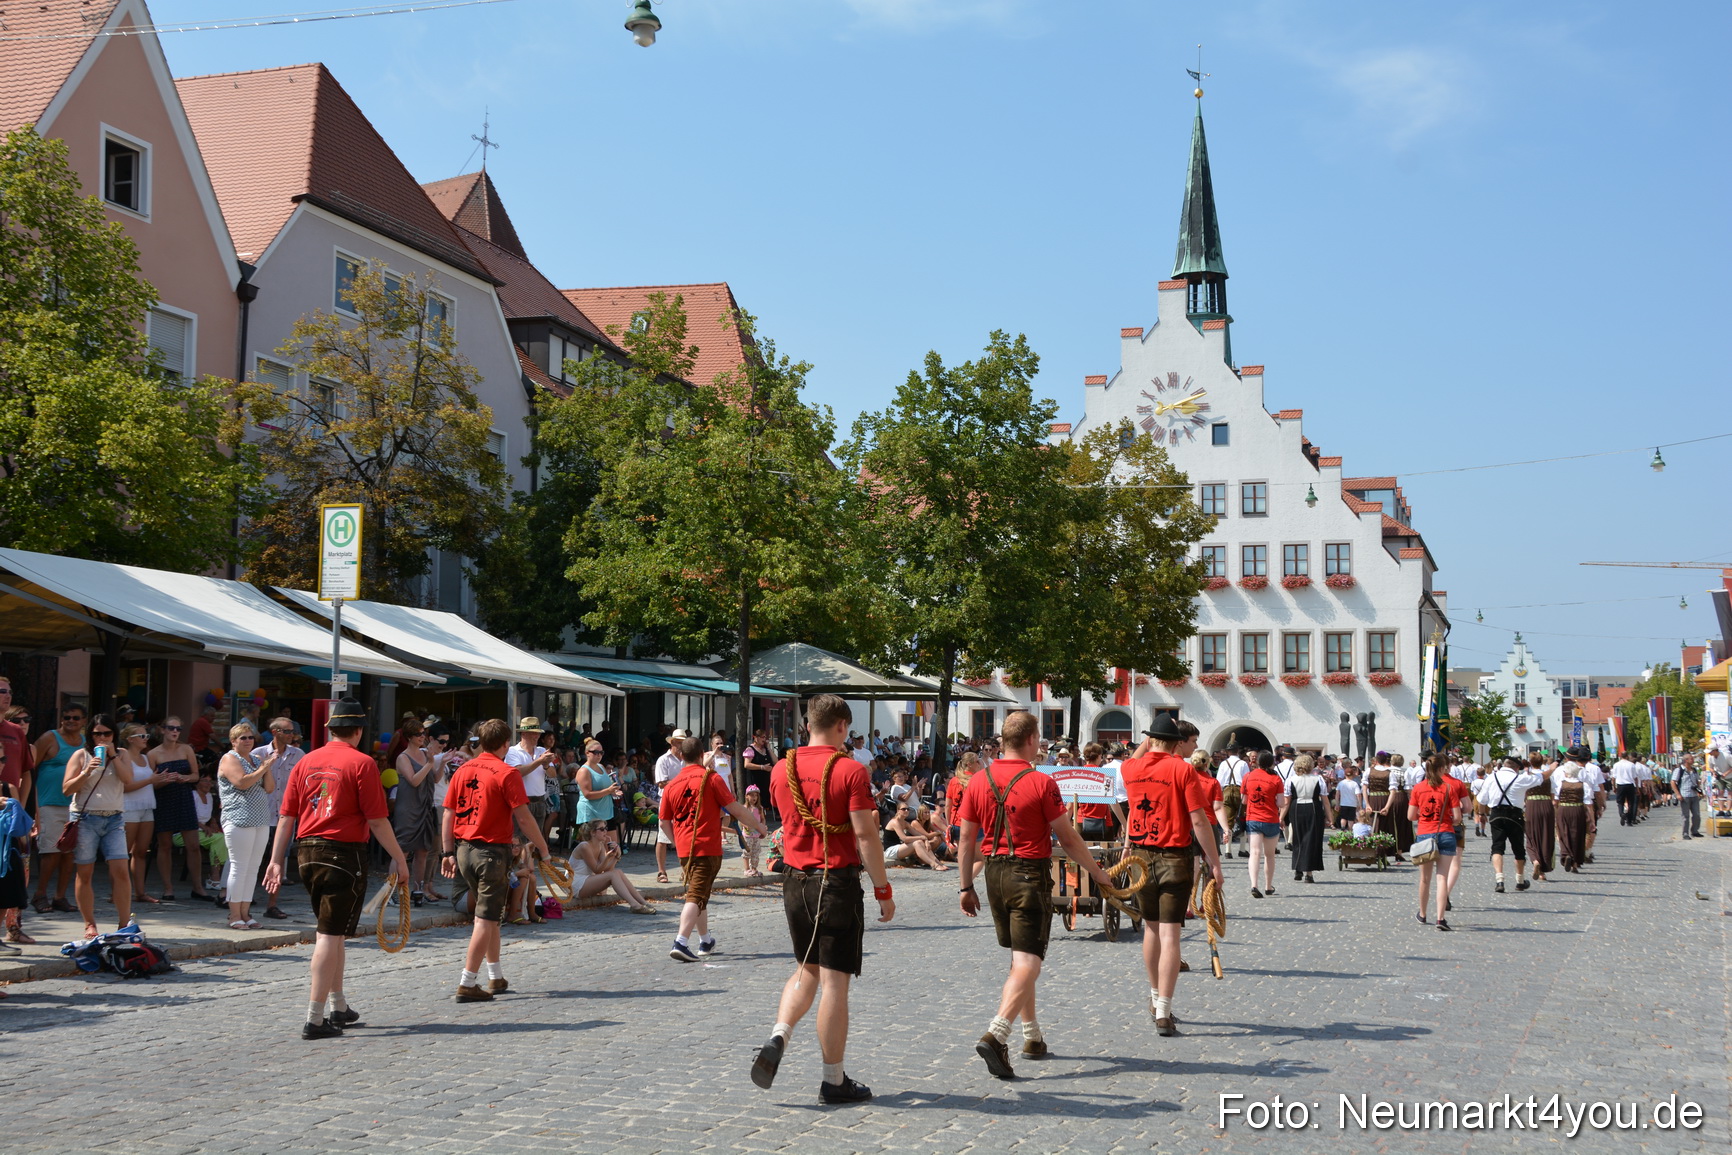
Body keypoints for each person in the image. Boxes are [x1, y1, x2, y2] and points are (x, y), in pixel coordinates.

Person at [749, 694, 892, 1103]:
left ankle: (780, 1033)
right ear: (842, 726)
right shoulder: (850, 769)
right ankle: (834, 1080)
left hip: (795, 881)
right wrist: (883, 889)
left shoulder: (781, 768)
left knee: (805, 969)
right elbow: (865, 835)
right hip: (836, 882)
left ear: (809, 723)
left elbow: (786, 820)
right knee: (834, 983)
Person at [958, 710, 1114, 1080]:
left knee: (1018, 959)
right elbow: (1069, 837)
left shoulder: (978, 780)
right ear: (1030, 740)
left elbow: (966, 840)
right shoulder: (1040, 782)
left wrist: (965, 886)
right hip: (1028, 874)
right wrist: (1097, 872)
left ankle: (1032, 1037)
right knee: (1030, 962)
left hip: (993, 875)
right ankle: (997, 1033)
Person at [264, 699, 409, 1040]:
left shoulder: (307, 760)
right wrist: (400, 859)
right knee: (328, 936)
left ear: (330, 729)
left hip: (307, 853)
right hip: (343, 854)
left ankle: (338, 1005)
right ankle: (314, 1019)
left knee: (335, 931)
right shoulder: (362, 763)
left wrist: (275, 859)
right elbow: (376, 820)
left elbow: (287, 816)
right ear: (358, 731)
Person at [1119, 716, 1224, 1035]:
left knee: (1151, 931)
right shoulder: (1183, 769)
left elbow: (1134, 757)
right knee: (1170, 935)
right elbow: (1200, 821)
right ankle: (1164, 1009)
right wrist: (1215, 864)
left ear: (1151, 739)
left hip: (1140, 856)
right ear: (1177, 743)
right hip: (1174, 858)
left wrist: (1147, 740)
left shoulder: (1130, 770)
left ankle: (1154, 996)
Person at [440, 717, 554, 999]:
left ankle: (496, 976)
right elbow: (525, 819)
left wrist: (446, 852)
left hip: (464, 849)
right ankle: (467, 982)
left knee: (490, 914)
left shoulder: (463, 769)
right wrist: (545, 850)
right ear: (505, 744)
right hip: (490, 852)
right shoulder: (506, 773)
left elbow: (448, 813)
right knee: (485, 919)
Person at [661, 732, 767, 962]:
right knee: (696, 895)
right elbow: (736, 809)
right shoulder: (711, 778)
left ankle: (705, 940)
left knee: (699, 893)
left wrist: (676, 841)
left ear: (681, 755)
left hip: (684, 848)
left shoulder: (671, 786)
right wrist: (759, 826)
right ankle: (680, 941)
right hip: (706, 846)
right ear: (702, 755)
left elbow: (663, 822)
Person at [60, 714, 135, 941]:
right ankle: (89, 923)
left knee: (121, 870)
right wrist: (86, 771)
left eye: (107, 733)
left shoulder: (122, 754)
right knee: (85, 871)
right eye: (97, 734)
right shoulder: (81, 755)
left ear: (114, 735)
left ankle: (124, 923)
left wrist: (113, 756)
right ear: (90, 735)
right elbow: (66, 789)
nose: (102, 738)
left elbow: (128, 780)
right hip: (86, 818)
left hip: (114, 818)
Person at [216, 723, 278, 929]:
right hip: (239, 818)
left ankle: (245, 912)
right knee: (239, 866)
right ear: (233, 741)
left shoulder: (257, 759)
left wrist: (265, 768)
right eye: (243, 738)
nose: (248, 741)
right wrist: (263, 768)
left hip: (260, 818)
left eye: (250, 737)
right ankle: (234, 915)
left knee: (253, 868)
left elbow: (269, 788)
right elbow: (241, 782)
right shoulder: (229, 758)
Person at [29, 703, 85, 913]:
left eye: (75, 718)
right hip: (48, 802)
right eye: (67, 717)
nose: (71, 721)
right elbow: (29, 767)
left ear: (83, 721)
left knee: (69, 853)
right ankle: (39, 895)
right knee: (50, 852)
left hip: (74, 805)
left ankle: (60, 897)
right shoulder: (49, 738)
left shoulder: (86, 743)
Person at [147, 715, 207, 903]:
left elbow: (196, 775)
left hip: (183, 797)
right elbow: (150, 783)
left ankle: (198, 887)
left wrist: (185, 778)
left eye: (178, 729)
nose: (175, 732)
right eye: (171, 728)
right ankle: (168, 888)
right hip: (164, 799)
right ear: (162, 730)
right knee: (164, 846)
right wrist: (163, 781)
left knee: (194, 845)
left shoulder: (186, 749)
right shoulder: (153, 754)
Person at [1408, 754, 1465, 930]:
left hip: (1425, 834)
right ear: (1442, 769)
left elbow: (1410, 816)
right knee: (1442, 878)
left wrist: (1424, 816)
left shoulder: (1418, 788)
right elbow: (1457, 817)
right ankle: (1441, 919)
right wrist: (1446, 818)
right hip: (1446, 833)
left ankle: (1423, 914)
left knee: (1425, 879)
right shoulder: (1449, 788)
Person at [253, 718, 302, 919]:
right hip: (261, 813)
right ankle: (244, 902)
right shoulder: (258, 753)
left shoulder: (298, 754)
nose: (291, 734)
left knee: (279, 859)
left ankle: (272, 904)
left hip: (284, 815)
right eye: (287, 731)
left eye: (293, 731)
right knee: (254, 858)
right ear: (274, 732)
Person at [386, 720, 440, 905]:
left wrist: (440, 763)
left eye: (423, 733)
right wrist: (430, 763)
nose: (422, 737)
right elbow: (414, 780)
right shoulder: (403, 757)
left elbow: (434, 778)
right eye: (418, 734)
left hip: (425, 806)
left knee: (423, 850)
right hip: (408, 808)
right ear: (409, 737)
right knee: (402, 850)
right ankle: (393, 891)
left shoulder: (425, 754)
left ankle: (418, 889)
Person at [1475, 756, 1546, 893]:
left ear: (1503, 765)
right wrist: (1553, 769)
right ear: (1517, 768)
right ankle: (1520, 881)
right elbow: (1540, 778)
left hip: (1496, 814)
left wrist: (1482, 815)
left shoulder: (1491, 778)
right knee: (1518, 848)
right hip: (1515, 815)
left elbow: (1482, 800)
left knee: (1497, 847)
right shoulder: (1520, 779)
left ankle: (1499, 879)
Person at [118, 723, 162, 906]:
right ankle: (118, 892)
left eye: (146, 736)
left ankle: (140, 892)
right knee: (122, 853)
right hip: (129, 807)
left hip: (147, 806)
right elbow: (125, 787)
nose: (146, 739)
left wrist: (160, 780)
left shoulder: (145, 757)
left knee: (141, 851)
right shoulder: (123, 754)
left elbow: (150, 782)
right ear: (130, 739)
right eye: (141, 736)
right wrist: (150, 780)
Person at [569, 821, 655, 912]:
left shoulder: (600, 845)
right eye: (602, 829)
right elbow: (597, 870)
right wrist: (608, 857)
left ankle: (643, 902)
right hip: (575, 883)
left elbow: (606, 869)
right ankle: (635, 905)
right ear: (593, 833)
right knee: (613, 874)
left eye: (606, 828)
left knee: (618, 872)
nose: (605, 831)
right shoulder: (584, 846)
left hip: (586, 880)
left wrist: (616, 856)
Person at [503, 718, 560, 842]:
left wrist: (545, 765)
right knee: (518, 840)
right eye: (534, 733)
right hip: (522, 802)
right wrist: (539, 761)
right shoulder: (513, 751)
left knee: (534, 842)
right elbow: (517, 773)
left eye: (538, 733)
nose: (537, 736)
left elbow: (553, 774)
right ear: (524, 734)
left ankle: (530, 861)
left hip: (539, 801)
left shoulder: (541, 751)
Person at [1241, 752, 1285, 898]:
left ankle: (1254, 884)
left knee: (1254, 852)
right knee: (1269, 855)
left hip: (1253, 818)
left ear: (1257, 762)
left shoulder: (1248, 776)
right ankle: (1268, 886)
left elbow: (1244, 800)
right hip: (1270, 819)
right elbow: (1281, 803)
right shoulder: (1276, 779)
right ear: (1272, 763)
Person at [1285, 755, 1333, 883]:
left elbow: (1286, 801)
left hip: (1296, 808)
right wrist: (1330, 817)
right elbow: (1326, 801)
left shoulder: (1291, 780)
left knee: (1298, 838)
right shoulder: (1318, 779)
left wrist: (1280, 816)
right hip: (1313, 807)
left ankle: (1298, 868)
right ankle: (1309, 873)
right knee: (1311, 839)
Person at [574, 739, 623, 858]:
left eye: (601, 752)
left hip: (606, 811)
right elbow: (587, 794)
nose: (599, 755)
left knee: (612, 847)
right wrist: (608, 791)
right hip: (591, 813)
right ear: (587, 753)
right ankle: (596, 875)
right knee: (593, 851)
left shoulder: (601, 767)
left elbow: (606, 787)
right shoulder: (584, 771)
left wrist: (613, 792)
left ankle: (607, 874)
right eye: (595, 752)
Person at [653, 728, 690, 883]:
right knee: (663, 837)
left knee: (685, 836)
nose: (682, 745)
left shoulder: (687, 759)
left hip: (684, 802)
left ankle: (685, 871)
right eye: (680, 742)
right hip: (668, 801)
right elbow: (661, 783)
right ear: (673, 742)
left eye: (684, 743)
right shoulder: (663, 760)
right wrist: (681, 783)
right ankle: (661, 871)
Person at [1552, 751, 1597, 873]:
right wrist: (1592, 821)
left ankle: (1566, 854)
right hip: (1578, 810)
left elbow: (1555, 801)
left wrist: (1555, 813)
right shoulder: (1584, 785)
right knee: (1578, 835)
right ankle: (1575, 863)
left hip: (1563, 809)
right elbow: (1589, 804)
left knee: (1563, 833)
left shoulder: (1560, 785)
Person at [0, 678, 33, 820]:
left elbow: (26, 772)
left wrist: (21, 807)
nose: (8, 695)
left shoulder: (16, 731)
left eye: (10, 692)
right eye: (2, 691)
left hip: (10, 809)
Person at [1522, 753, 1557, 881]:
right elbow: (1553, 795)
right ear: (1542, 762)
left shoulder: (1526, 776)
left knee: (1531, 835)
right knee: (1546, 835)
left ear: (1530, 763)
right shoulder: (1548, 777)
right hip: (1546, 805)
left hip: (1531, 805)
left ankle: (1535, 860)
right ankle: (1543, 871)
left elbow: (1523, 793)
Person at [883, 804, 948, 869]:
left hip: (899, 848)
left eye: (908, 809)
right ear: (898, 811)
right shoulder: (895, 822)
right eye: (903, 809)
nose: (906, 810)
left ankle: (937, 862)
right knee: (917, 842)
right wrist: (923, 838)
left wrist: (925, 840)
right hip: (890, 850)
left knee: (920, 841)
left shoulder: (905, 823)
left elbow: (918, 834)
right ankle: (934, 864)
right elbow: (904, 839)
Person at [1215, 745, 1249, 857]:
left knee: (1227, 819)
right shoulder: (1243, 764)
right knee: (1242, 818)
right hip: (1240, 790)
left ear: (1228, 752)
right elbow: (1246, 780)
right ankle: (1242, 849)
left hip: (1227, 790)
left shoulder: (1224, 764)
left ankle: (1228, 850)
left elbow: (1219, 782)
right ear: (1238, 751)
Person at [738, 785, 767, 876]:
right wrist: (745, 826)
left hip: (756, 834)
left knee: (756, 852)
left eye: (756, 795)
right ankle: (747, 869)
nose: (754, 797)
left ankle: (754, 868)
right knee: (747, 851)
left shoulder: (759, 808)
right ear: (747, 796)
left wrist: (762, 826)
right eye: (752, 795)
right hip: (747, 834)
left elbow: (762, 819)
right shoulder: (745, 808)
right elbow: (741, 819)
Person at [1335, 762, 1361, 829]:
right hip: (1353, 804)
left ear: (1345, 774)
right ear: (1352, 774)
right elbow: (1358, 795)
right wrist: (1359, 804)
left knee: (1343, 818)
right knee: (1351, 819)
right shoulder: (1355, 784)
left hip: (1343, 803)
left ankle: (1343, 829)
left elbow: (1337, 794)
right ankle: (1350, 832)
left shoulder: (1341, 783)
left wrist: (1337, 804)